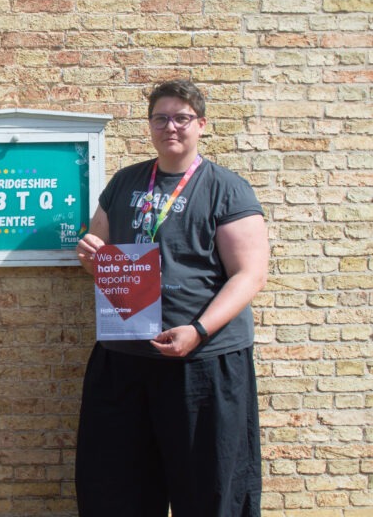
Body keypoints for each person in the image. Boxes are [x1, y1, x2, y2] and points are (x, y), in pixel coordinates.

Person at [73, 80, 269, 517]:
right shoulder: (125, 182)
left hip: (202, 364)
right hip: (124, 358)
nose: (170, 127)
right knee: (115, 488)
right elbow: (98, 253)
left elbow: (250, 274)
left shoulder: (226, 188)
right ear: (150, 126)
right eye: (160, 118)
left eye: (181, 118)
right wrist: (89, 252)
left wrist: (198, 331)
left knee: (209, 490)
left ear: (200, 125)